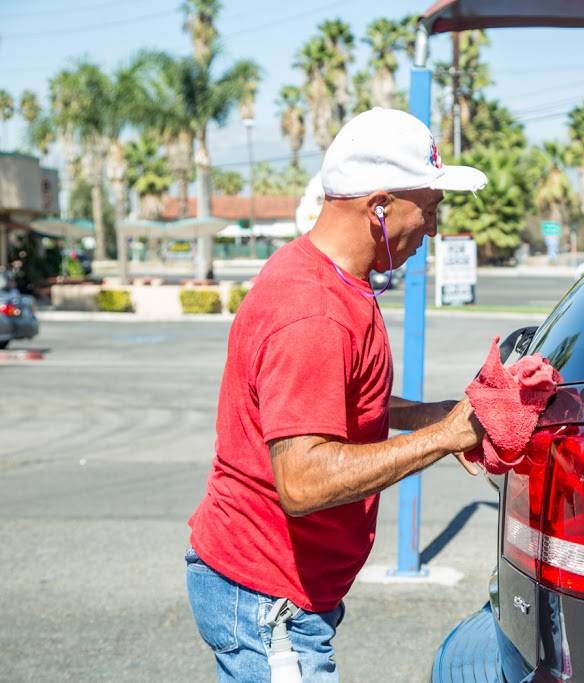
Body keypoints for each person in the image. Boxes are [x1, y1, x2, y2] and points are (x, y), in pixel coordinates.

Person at [185, 108, 489, 682]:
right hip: (268, 598)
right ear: (379, 206)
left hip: (275, 588)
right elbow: (303, 481)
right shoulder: (314, 312)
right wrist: (446, 437)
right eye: (429, 210)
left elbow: (337, 398)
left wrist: (435, 415)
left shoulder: (330, 281)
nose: (431, 229)